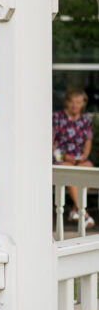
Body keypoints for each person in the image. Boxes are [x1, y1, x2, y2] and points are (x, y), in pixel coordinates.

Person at [53, 88, 95, 228]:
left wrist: (84, 157)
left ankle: (76, 211)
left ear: (83, 103)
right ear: (66, 102)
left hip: (79, 158)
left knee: (87, 171)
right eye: (72, 102)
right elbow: (50, 143)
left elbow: (88, 141)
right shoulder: (57, 117)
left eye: (78, 102)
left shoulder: (85, 120)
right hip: (61, 157)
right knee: (70, 171)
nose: (75, 105)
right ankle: (84, 214)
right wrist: (64, 157)